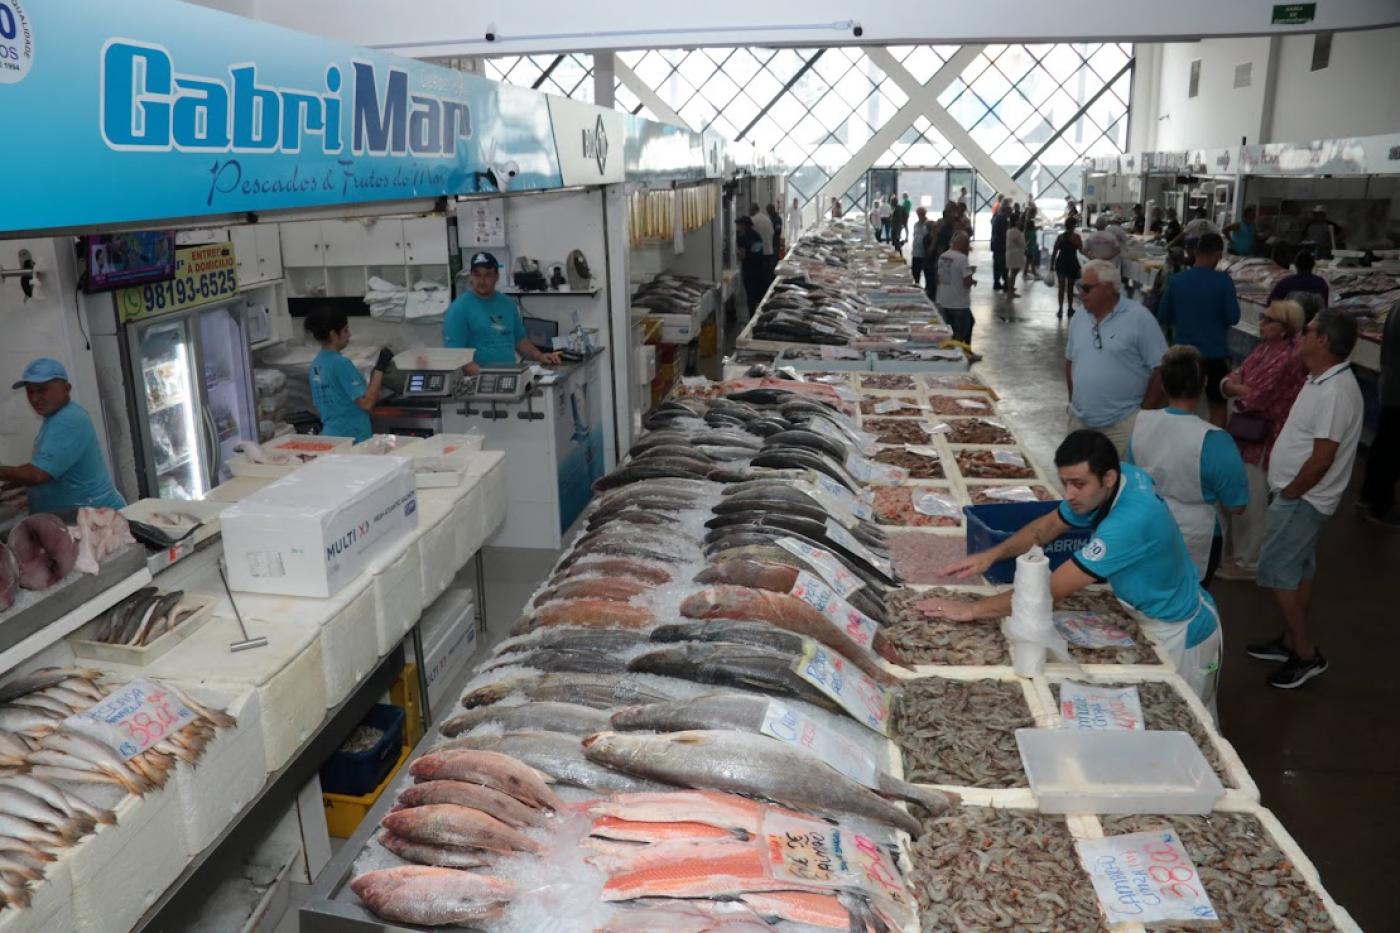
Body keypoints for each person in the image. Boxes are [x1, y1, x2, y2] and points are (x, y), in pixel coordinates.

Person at [921, 430, 1224, 705]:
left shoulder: (1128, 523)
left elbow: (1049, 590)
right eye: (1064, 482)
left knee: (1182, 713)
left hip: (1179, 631)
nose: (1069, 494)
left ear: (1107, 478)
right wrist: (993, 554)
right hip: (1148, 608)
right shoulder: (1121, 478)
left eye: (1078, 484)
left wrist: (970, 610)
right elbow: (1050, 525)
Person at [1248, 310, 1363, 688]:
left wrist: (1291, 493)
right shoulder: (1321, 380)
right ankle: (1288, 641)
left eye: (1309, 330)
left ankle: (1305, 653)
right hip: (1300, 497)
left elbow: (1323, 456)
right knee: (1299, 572)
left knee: (1280, 573)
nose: (1301, 334)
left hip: (1303, 501)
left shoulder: (1334, 391)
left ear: (1323, 340)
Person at [1127, 346, 1249, 586]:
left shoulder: (1141, 423)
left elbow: (1134, 476)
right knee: (1190, 597)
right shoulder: (1214, 439)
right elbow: (1237, 505)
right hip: (1197, 535)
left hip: (1149, 524)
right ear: (1204, 384)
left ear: (1163, 384)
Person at [1216, 299, 1309, 580]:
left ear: (1285, 328)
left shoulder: (1287, 358)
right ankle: (1243, 555)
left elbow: (1254, 398)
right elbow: (1233, 379)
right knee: (1243, 493)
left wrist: (1234, 388)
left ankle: (1249, 561)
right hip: (1246, 435)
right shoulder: (1264, 349)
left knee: (1253, 499)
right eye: (1263, 317)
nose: (1262, 323)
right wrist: (1235, 386)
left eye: (1269, 319)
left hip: (1263, 438)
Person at [1065, 259, 1168, 457]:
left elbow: (1162, 368)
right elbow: (1070, 360)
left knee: (1121, 475)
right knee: (1077, 473)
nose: (1081, 293)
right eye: (1079, 286)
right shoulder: (1079, 317)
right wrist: (1072, 402)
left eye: (1086, 288)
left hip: (1123, 425)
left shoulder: (1140, 318)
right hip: (1080, 420)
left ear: (1108, 288)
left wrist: (1144, 413)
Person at [0, 359, 126, 514]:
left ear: (66, 389)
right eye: (30, 391)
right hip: (76, 516)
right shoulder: (55, 418)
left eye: (42, 390)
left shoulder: (69, 420)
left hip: (97, 518)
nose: (35, 398)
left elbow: (37, 474)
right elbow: (51, 467)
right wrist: (14, 482)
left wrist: (3, 472)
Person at [1155, 233, 1240, 427]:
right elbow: (1233, 317)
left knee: (1179, 406)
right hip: (1216, 354)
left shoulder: (1177, 281)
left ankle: (1178, 441)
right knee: (1218, 406)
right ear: (1217, 254)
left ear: (1196, 252)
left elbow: (1163, 316)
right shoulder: (1223, 282)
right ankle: (1212, 441)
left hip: (1183, 356)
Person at [444, 251, 563, 369]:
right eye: (477, 275)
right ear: (471, 276)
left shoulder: (508, 304)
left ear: (497, 276)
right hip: (477, 379)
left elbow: (520, 340)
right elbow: (456, 356)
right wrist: (486, 377)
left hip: (509, 376)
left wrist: (539, 356)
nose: (482, 280)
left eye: (488, 275)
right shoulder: (458, 309)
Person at [304, 308, 389, 443]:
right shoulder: (341, 363)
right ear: (333, 334)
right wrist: (380, 369)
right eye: (345, 330)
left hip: (330, 437)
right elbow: (367, 403)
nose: (349, 335)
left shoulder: (316, 365)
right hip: (353, 439)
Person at [1361, 300, 1400, 526]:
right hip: (1397, 390)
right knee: (1391, 450)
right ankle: (1380, 506)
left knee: (1384, 445)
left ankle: (1369, 496)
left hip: (1391, 386)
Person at [935, 232, 978, 357]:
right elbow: (966, 281)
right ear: (962, 244)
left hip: (944, 299)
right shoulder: (962, 258)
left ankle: (961, 352)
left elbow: (941, 276)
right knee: (963, 329)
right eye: (967, 243)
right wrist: (972, 279)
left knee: (952, 330)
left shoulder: (943, 256)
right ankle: (962, 353)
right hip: (959, 302)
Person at [734, 217, 768, 318]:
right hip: (760, 267)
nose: (737, 227)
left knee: (750, 295)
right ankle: (761, 315)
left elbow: (742, 255)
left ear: (743, 225)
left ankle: (752, 317)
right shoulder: (756, 235)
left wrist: (736, 254)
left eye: (738, 225)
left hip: (749, 269)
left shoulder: (742, 237)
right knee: (759, 293)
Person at [1050, 221, 1083, 318]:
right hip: (1072, 264)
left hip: (1061, 263)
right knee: (1070, 287)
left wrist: (1051, 265)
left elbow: (1054, 251)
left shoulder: (1060, 237)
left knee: (1061, 287)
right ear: (1074, 226)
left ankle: (1060, 309)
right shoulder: (1076, 237)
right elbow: (1081, 250)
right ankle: (1070, 308)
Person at [990, 203, 1010, 291]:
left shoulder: (996, 217)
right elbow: (1004, 233)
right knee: (1003, 264)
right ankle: (1006, 283)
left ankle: (996, 282)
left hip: (996, 244)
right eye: (1009, 212)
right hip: (1001, 245)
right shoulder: (1003, 219)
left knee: (997, 264)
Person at [1004, 220, 1026, 298]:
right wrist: (1024, 244)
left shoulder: (1009, 231)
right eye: (1019, 221)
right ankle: (1010, 291)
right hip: (1015, 254)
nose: (1020, 222)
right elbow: (1018, 241)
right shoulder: (1015, 231)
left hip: (1012, 253)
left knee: (1013, 273)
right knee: (1013, 273)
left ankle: (1010, 289)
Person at [909, 207, 930, 285]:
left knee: (927, 274)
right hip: (916, 253)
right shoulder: (916, 224)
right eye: (919, 214)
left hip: (924, 253)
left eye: (921, 214)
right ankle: (917, 284)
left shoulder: (928, 224)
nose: (920, 216)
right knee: (915, 273)